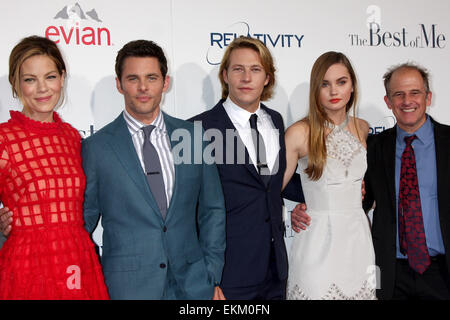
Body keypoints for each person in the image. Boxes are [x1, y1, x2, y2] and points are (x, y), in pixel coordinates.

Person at [1, 39, 226, 300]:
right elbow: (80, 219)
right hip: (127, 289)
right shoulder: (95, 148)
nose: (143, 87)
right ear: (118, 84)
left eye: (151, 77)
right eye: (133, 78)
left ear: (165, 83)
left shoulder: (193, 137)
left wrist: (211, 274)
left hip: (194, 286)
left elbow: (213, 210)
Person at [190, 36, 304, 300]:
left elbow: (272, 182)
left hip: (275, 270)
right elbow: (187, 211)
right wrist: (206, 277)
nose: (246, 77)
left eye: (255, 69)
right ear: (225, 75)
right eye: (238, 69)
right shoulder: (198, 129)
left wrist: (330, 189)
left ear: (266, 78)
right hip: (227, 273)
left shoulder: (274, 121)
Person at [0, 35, 109, 299]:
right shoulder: (4, 138)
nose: (42, 89)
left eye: (50, 77)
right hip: (28, 268)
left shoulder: (71, 137)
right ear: (16, 84)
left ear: (62, 78)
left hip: (76, 259)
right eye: (29, 79)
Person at [283, 51, 376, 300]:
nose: (334, 91)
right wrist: (291, 212)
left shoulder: (363, 128)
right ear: (316, 89)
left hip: (358, 239)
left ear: (352, 85)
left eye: (341, 82)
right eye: (325, 84)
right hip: (316, 240)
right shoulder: (299, 133)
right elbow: (271, 188)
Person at [361, 63, 450, 299]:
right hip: (392, 274)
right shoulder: (374, 147)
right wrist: (311, 206)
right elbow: (359, 200)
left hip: (443, 273)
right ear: (388, 101)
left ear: (428, 97)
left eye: (415, 93)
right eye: (398, 94)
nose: (406, 101)